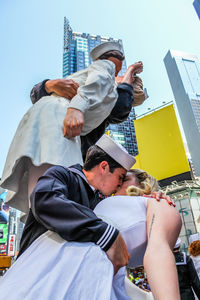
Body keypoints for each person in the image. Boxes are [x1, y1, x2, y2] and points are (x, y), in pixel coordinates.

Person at [0, 135, 181, 300]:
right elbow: (45, 200)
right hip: (38, 271)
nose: (119, 184)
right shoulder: (64, 175)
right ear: (104, 167)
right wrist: (107, 234)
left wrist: (151, 198)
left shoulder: (100, 199)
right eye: (120, 177)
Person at [0, 41, 144, 215]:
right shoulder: (104, 71)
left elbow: (120, 107)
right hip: (58, 122)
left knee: (44, 196)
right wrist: (73, 107)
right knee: (51, 194)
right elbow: (104, 90)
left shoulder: (102, 99)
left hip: (52, 123)